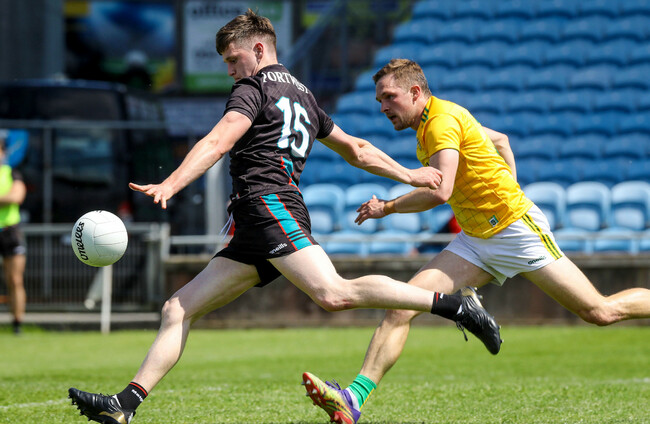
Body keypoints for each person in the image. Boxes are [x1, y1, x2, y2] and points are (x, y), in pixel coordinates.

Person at [67, 11, 501, 424]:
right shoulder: (303, 94)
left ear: (258, 49)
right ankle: (123, 406)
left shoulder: (253, 88)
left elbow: (218, 141)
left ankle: (453, 306)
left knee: (334, 293)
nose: (230, 71)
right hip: (254, 219)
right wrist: (408, 173)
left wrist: (172, 182)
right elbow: (356, 149)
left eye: (233, 60)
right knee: (177, 309)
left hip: (269, 204)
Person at [302, 59, 650, 424]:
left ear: (416, 92)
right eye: (379, 100)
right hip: (475, 240)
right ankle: (352, 399)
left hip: (516, 232)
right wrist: (508, 181)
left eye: (389, 97)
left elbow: (441, 192)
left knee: (599, 312)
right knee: (401, 307)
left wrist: (387, 207)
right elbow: (500, 140)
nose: (383, 107)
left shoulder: (440, 122)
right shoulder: (439, 120)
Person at [0, 133, 27, 335]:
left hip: (9, 232)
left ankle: (17, 324)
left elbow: (17, 196)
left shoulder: (12, 173)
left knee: (15, 279)